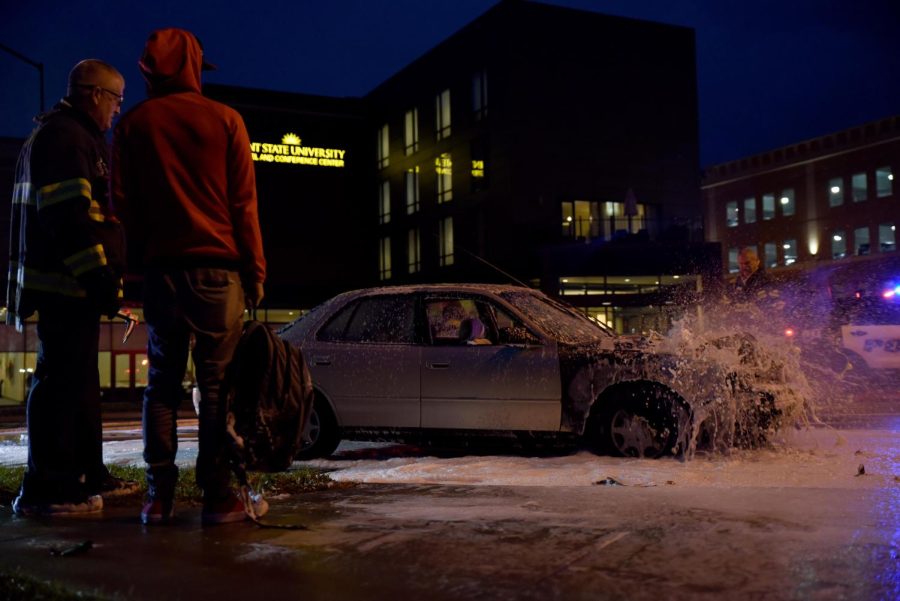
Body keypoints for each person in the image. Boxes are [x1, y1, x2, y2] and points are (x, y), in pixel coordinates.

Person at [112, 29, 266, 525]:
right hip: (219, 273)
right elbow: (244, 205)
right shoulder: (225, 120)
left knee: (161, 386)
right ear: (195, 66)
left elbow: (122, 208)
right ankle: (218, 498)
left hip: (162, 273)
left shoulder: (133, 125)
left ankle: (158, 498)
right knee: (218, 387)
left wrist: (138, 264)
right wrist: (254, 270)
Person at [6, 59, 139, 516]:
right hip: (66, 287)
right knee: (62, 382)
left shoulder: (70, 136)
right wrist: (99, 276)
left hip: (71, 288)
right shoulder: (67, 139)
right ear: (93, 94)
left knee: (79, 382)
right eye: (117, 99)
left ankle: (85, 473)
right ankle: (49, 487)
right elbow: (68, 220)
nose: (119, 110)